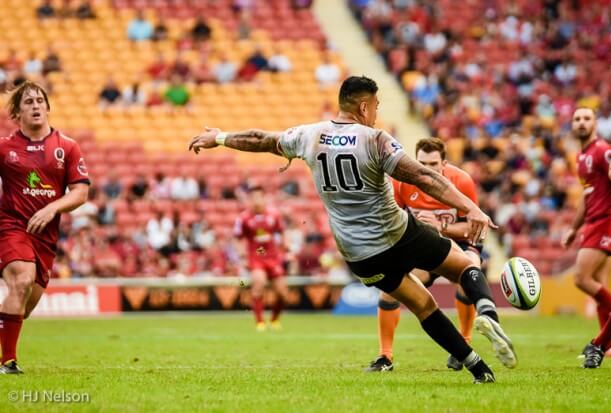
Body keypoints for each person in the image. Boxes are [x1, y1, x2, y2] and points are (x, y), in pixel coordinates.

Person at [189, 76, 517, 383]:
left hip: (359, 255)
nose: (376, 112)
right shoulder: (375, 139)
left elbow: (260, 139)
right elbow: (423, 177)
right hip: (396, 233)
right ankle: (487, 311)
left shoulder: (308, 135)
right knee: (463, 266)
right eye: (375, 106)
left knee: (423, 306)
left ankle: (479, 369)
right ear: (363, 107)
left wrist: (219, 137)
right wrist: (470, 207)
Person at [366, 137, 483, 373]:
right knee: (390, 292)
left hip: (459, 245)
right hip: (424, 248)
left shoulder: (462, 181)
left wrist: (441, 228)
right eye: (422, 163)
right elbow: (394, 219)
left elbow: (473, 227)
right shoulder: (402, 182)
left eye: (432, 164)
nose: (426, 169)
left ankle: (464, 345)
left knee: (468, 280)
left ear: (444, 164)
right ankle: (384, 357)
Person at [0, 81, 90, 374]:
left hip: (45, 237)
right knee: (21, 281)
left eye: (40, 100)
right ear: (17, 112)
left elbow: (80, 192)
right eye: (28, 102)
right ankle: (8, 363)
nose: (36, 105)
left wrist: (52, 208)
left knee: (24, 305)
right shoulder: (5, 148)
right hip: (11, 226)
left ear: (48, 107)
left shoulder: (67, 146)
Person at [561, 107, 611, 357]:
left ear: (595, 123)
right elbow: (587, 195)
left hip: (606, 220)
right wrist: (574, 228)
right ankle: (608, 347)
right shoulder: (581, 156)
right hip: (593, 221)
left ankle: (607, 333)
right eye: (577, 119)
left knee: (581, 278)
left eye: (586, 118)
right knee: (599, 285)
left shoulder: (603, 151)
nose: (581, 123)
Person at [581, 133, 611, 368]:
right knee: (584, 277)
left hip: (603, 221)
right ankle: (601, 344)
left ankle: (600, 344)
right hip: (600, 221)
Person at [233, 185, 288, 332]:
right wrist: (241, 256)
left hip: (273, 257)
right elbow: (238, 238)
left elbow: (282, 232)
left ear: (264, 198)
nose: (256, 200)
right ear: (249, 199)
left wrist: (286, 248)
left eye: (259, 196)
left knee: (283, 292)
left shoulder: (274, 215)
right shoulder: (243, 218)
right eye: (253, 197)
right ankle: (260, 323)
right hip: (256, 257)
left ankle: (275, 320)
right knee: (259, 284)